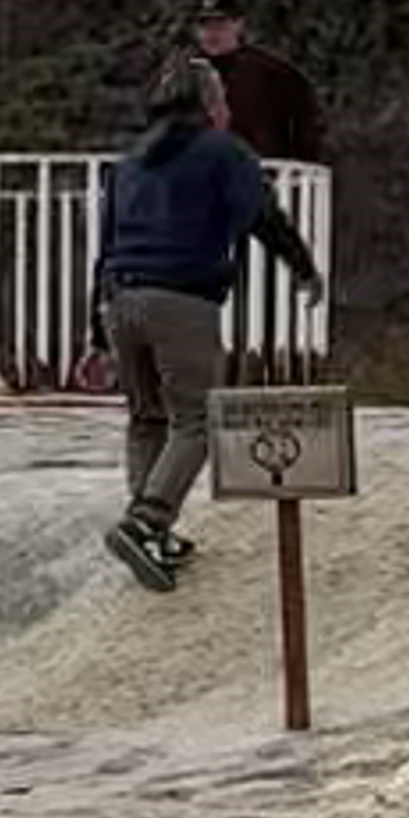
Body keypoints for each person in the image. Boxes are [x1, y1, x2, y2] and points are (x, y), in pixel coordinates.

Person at [94, 54, 325, 592]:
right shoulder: (221, 152)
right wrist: (302, 267)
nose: (227, 106)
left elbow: (104, 245)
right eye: (221, 95)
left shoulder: (130, 162)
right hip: (180, 300)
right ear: (207, 103)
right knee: (196, 420)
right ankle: (146, 522)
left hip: (120, 299)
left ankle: (153, 532)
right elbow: (261, 214)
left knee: (146, 418)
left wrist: (94, 328)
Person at [190, 0, 327, 167]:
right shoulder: (183, 73)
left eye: (220, 26)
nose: (212, 34)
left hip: (260, 169)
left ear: (239, 25)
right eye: (205, 26)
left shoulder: (273, 72)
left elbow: (305, 125)